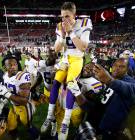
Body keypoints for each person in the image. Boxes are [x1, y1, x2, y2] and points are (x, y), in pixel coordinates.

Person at [41, 2, 92, 139]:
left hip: (77, 59)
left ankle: (66, 121)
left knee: (71, 83)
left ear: (74, 14)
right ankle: (50, 115)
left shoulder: (84, 23)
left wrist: (70, 31)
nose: (64, 19)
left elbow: (82, 48)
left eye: (67, 16)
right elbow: (56, 49)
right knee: (56, 82)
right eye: (63, 16)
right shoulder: (60, 26)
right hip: (65, 59)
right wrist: (63, 36)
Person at [0, 55, 40, 140]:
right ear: (4, 67)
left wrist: (6, 94)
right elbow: (7, 91)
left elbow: (24, 100)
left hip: (24, 107)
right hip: (13, 105)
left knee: (28, 124)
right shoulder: (5, 76)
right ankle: (15, 137)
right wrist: (2, 104)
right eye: (10, 65)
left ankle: (37, 137)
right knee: (11, 125)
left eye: (15, 64)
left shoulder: (22, 76)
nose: (14, 66)